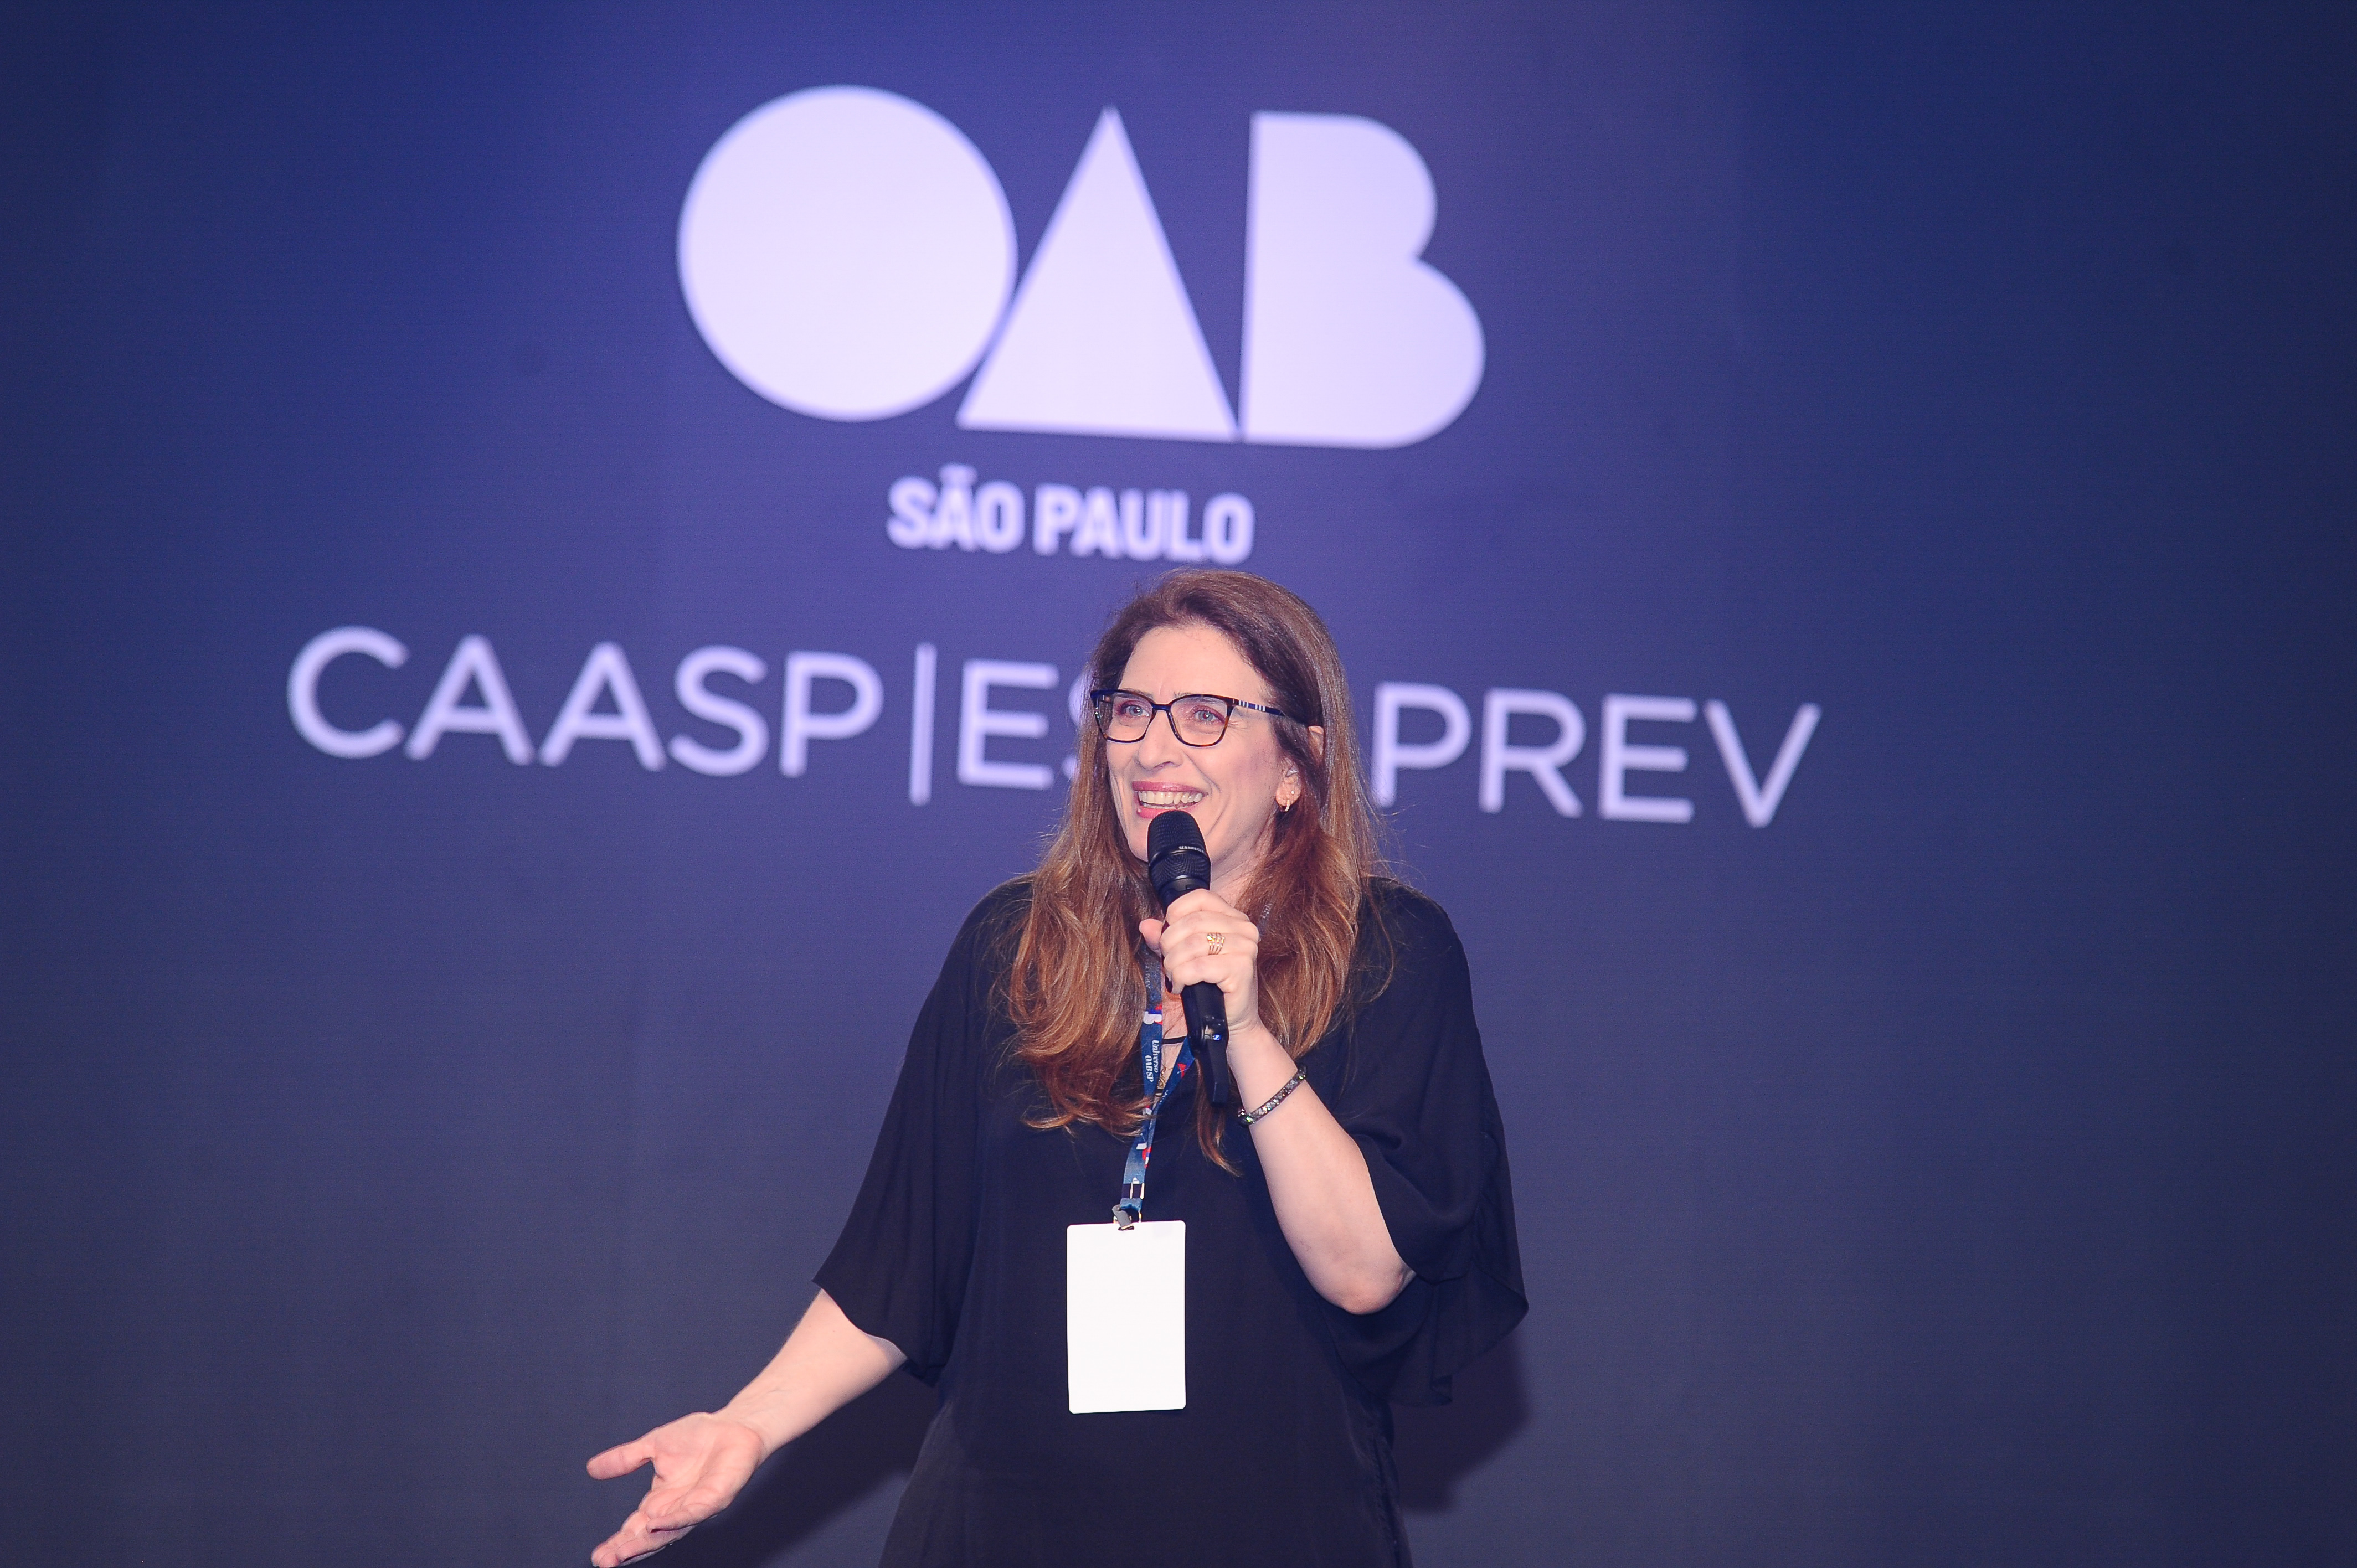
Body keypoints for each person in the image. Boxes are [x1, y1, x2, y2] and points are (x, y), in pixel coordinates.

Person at [588, 569, 1524, 1567]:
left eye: (1206, 715)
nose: (1154, 748)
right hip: (996, 1526)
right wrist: (749, 1424)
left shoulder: (1389, 954)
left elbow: (1366, 1271)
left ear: (1299, 763)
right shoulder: (1016, 944)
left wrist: (1248, 1032)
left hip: (1270, 1522)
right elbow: (901, 1263)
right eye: (1131, 710)